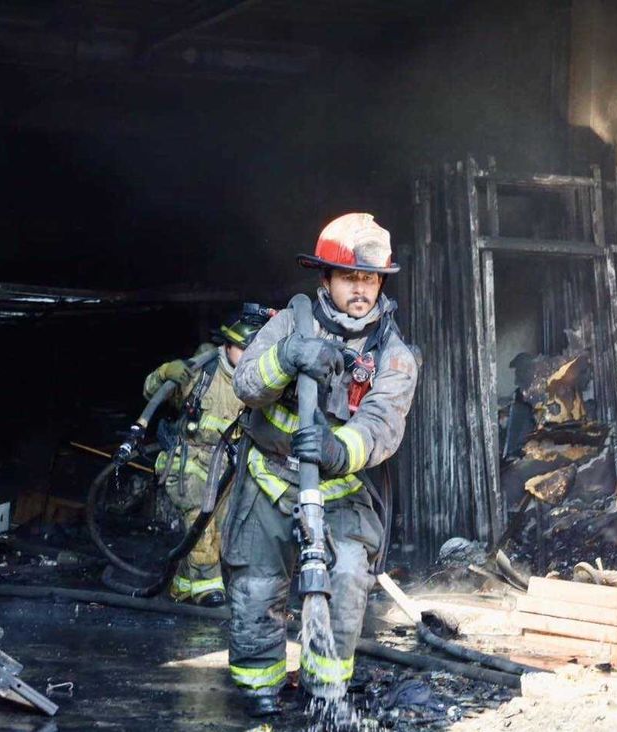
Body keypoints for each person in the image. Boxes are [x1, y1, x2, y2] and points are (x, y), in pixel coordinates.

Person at [226, 212, 420, 716]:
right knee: (256, 587)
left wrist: (337, 451)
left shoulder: (393, 354)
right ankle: (258, 689)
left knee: (348, 576)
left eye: (370, 279)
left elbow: (383, 424)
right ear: (326, 278)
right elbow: (246, 384)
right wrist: (287, 357)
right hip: (270, 479)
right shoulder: (290, 324)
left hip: (339, 490)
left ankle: (325, 693)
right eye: (350, 277)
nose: (361, 289)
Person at [143, 316, 261, 607]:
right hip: (190, 461)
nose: (248, 356)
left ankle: (182, 585)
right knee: (201, 522)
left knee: (220, 530)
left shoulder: (259, 381)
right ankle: (209, 590)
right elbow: (150, 392)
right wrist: (164, 373)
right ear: (228, 345)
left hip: (229, 468)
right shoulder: (202, 371)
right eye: (243, 348)